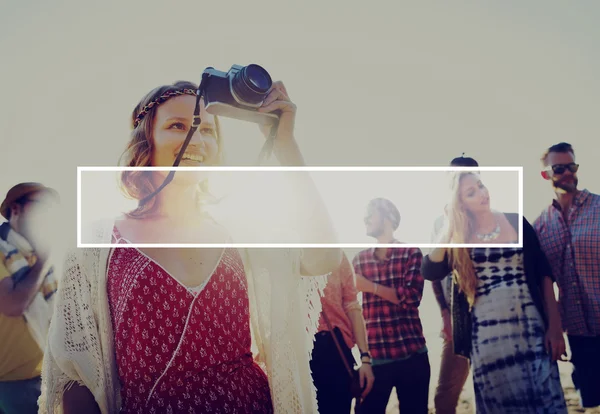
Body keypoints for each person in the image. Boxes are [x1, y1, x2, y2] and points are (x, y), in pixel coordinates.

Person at [39, 79, 342, 414]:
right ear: (146, 139)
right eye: (177, 125)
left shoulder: (239, 232)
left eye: (208, 130)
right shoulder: (96, 243)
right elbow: (75, 373)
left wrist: (285, 144)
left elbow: (324, 256)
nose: (195, 139)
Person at [421, 171, 568, 413]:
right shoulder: (460, 239)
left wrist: (554, 326)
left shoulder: (515, 221)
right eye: (471, 192)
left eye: (480, 186)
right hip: (488, 341)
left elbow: (544, 273)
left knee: (545, 401)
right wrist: (450, 224)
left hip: (532, 330)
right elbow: (430, 270)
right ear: (461, 205)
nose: (482, 193)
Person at [533, 142, 600, 409]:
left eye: (571, 166)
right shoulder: (540, 226)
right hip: (578, 332)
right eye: (559, 168)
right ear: (546, 174)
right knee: (593, 401)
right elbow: (543, 283)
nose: (568, 173)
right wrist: (553, 326)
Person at [352, 198, 430, 414]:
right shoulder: (358, 260)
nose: (365, 219)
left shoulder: (412, 253)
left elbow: (411, 298)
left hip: (412, 358)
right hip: (375, 362)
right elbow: (352, 309)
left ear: (389, 218)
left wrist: (369, 286)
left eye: (371, 213)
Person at [0, 182, 59, 414]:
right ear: (16, 209)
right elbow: (12, 304)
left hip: (47, 376)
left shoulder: (33, 256)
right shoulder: (5, 252)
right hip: (11, 384)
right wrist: (45, 262)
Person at [429, 154, 478, 414]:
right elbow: (434, 273)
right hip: (457, 320)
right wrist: (445, 314)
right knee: (444, 398)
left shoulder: (493, 218)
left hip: (490, 319)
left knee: (487, 391)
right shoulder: (441, 223)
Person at [310, 252, 375, 413]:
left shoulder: (336, 254)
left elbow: (352, 305)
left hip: (336, 350)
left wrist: (365, 359)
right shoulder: (286, 252)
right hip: (300, 352)